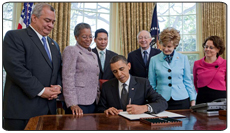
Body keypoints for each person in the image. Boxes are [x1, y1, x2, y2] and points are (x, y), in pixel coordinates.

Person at [3, 3, 62, 130]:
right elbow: (16, 68)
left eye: (53, 22)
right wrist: (41, 91)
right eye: (47, 20)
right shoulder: (14, 36)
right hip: (22, 111)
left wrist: (58, 87)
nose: (51, 25)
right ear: (34, 18)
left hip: (48, 112)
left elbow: (57, 71)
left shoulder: (54, 45)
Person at [97, 55, 168, 115]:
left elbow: (162, 102)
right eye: (115, 71)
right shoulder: (106, 86)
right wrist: (106, 110)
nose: (119, 74)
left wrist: (144, 108)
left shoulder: (143, 83)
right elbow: (100, 108)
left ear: (129, 66)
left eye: (121, 69)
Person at [148, 27, 196, 110]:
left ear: (175, 45)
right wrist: (154, 98)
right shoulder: (154, 60)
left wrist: (192, 99)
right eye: (164, 45)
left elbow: (187, 81)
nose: (166, 49)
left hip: (182, 99)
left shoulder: (183, 58)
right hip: (161, 100)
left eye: (169, 46)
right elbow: (151, 83)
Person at [62, 23, 100, 115]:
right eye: (84, 37)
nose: (88, 40)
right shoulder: (71, 50)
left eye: (90, 36)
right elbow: (67, 78)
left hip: (94, 101)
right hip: (78, 103)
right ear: (76, 37)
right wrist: (72, 103)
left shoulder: (94, 55)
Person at [193, 36, 226, 104]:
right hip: (202, 98)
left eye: (211, 47)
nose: (207, 49)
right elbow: (195, 82)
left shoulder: (225, 63)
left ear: (218, 49)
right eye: (206, 46)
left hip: (221, 99)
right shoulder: (197, 63)